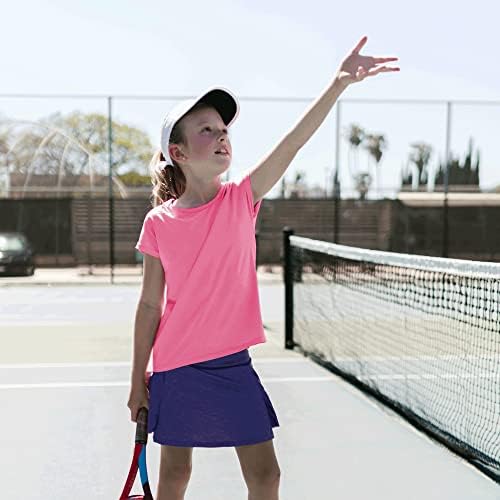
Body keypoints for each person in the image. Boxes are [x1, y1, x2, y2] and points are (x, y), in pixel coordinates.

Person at [128, 35, 399, 500]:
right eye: (206, 130)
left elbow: (291, 144)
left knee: (266, 476)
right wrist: (138, 381)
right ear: (178, 152)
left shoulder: (241, 200)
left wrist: (337, 84)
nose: (221, 136)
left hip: (233, 364)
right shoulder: (159, 222)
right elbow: (150, 304)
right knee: (174, 475)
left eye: (223, 129)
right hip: (176, 365)